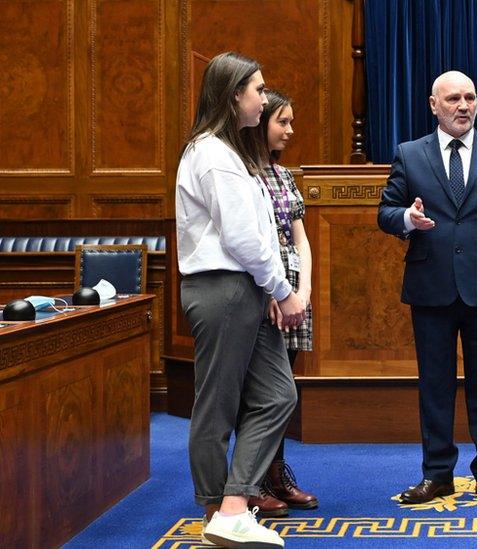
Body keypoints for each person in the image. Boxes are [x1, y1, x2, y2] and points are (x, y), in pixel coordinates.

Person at [377, 70, 477, 506]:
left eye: (470, 97)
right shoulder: (409, 155)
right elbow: (386, 212)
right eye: (453, 99)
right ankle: (437, 474)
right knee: (435, 384)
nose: (463, 106)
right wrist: (407, 220)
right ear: (434, 105)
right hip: (431, 285)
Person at [176, 51, 306, 548]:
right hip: (224, 288)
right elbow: (245, 240)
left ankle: (233, 506)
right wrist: (283, 290)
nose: (263, 97)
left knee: (277, 395)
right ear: (234, 97)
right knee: (218, 404)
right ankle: (217, 508)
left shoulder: (231, 153)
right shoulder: (211, 154)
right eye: (257, 89)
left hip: (245, 289)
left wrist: (270, 287)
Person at [240, 89, 319, 516]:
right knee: (262, 391)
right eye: (282, 122)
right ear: (261, 121)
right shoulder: (242, 173)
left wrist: (302, 291)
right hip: (263, 287)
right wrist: (274, 291)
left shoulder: (284, 175)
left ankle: (276, 474)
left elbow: (302, 242)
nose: (289, 130)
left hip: (292, 290)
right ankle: (249, 481)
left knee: (283, 387)